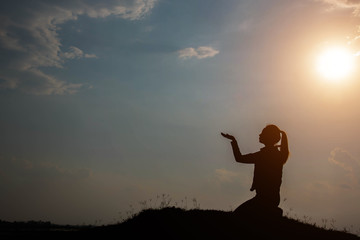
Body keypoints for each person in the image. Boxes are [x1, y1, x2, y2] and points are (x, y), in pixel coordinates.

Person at [221, 124, 289, 218]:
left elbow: (239, 158)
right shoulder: (278, 155)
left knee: (238, 215)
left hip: (263, 199)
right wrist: (234, 141)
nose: (260, 135)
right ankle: (273, 211)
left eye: (263, 133)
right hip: (272, 198)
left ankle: (274, 213)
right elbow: (239, 158)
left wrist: (234, 141)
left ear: (269, 137)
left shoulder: (263, 155)